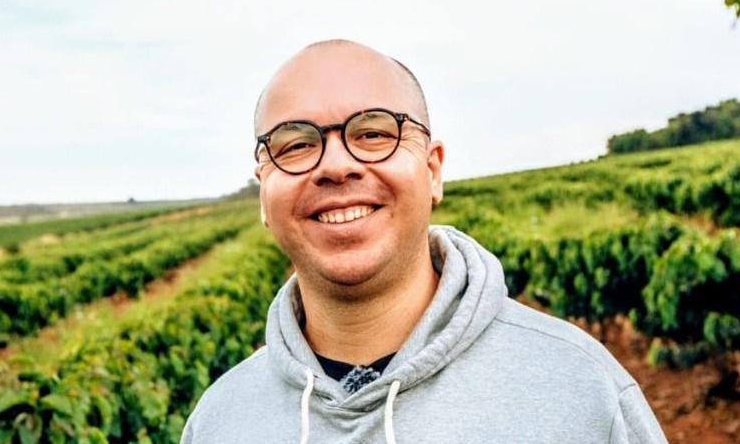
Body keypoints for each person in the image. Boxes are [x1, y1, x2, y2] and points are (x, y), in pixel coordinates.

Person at [180, 39, 667, 443]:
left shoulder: (581, 391)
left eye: (374, 133)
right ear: (263, 194)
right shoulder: (218, 422)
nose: (335, 165)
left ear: (433, 171)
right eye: (296, 144)